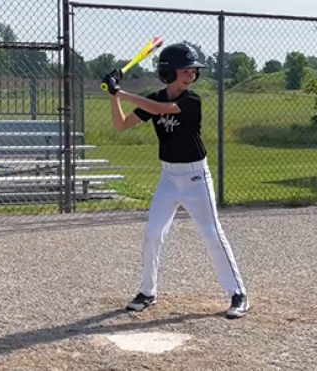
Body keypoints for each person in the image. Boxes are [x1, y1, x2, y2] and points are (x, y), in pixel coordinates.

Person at [101, 43, 249, 319]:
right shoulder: (154, 98)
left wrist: (122, 91)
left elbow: (159, 110)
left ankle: (238, 293)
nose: (192, 73)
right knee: (153, 233)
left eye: (194, 70)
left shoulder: (191, 101)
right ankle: (148, 291)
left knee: (212, 234)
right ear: (169, 71)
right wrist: (114, 96)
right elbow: (121, 125)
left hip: (196, 177)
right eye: (186, 69)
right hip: (169, 177)